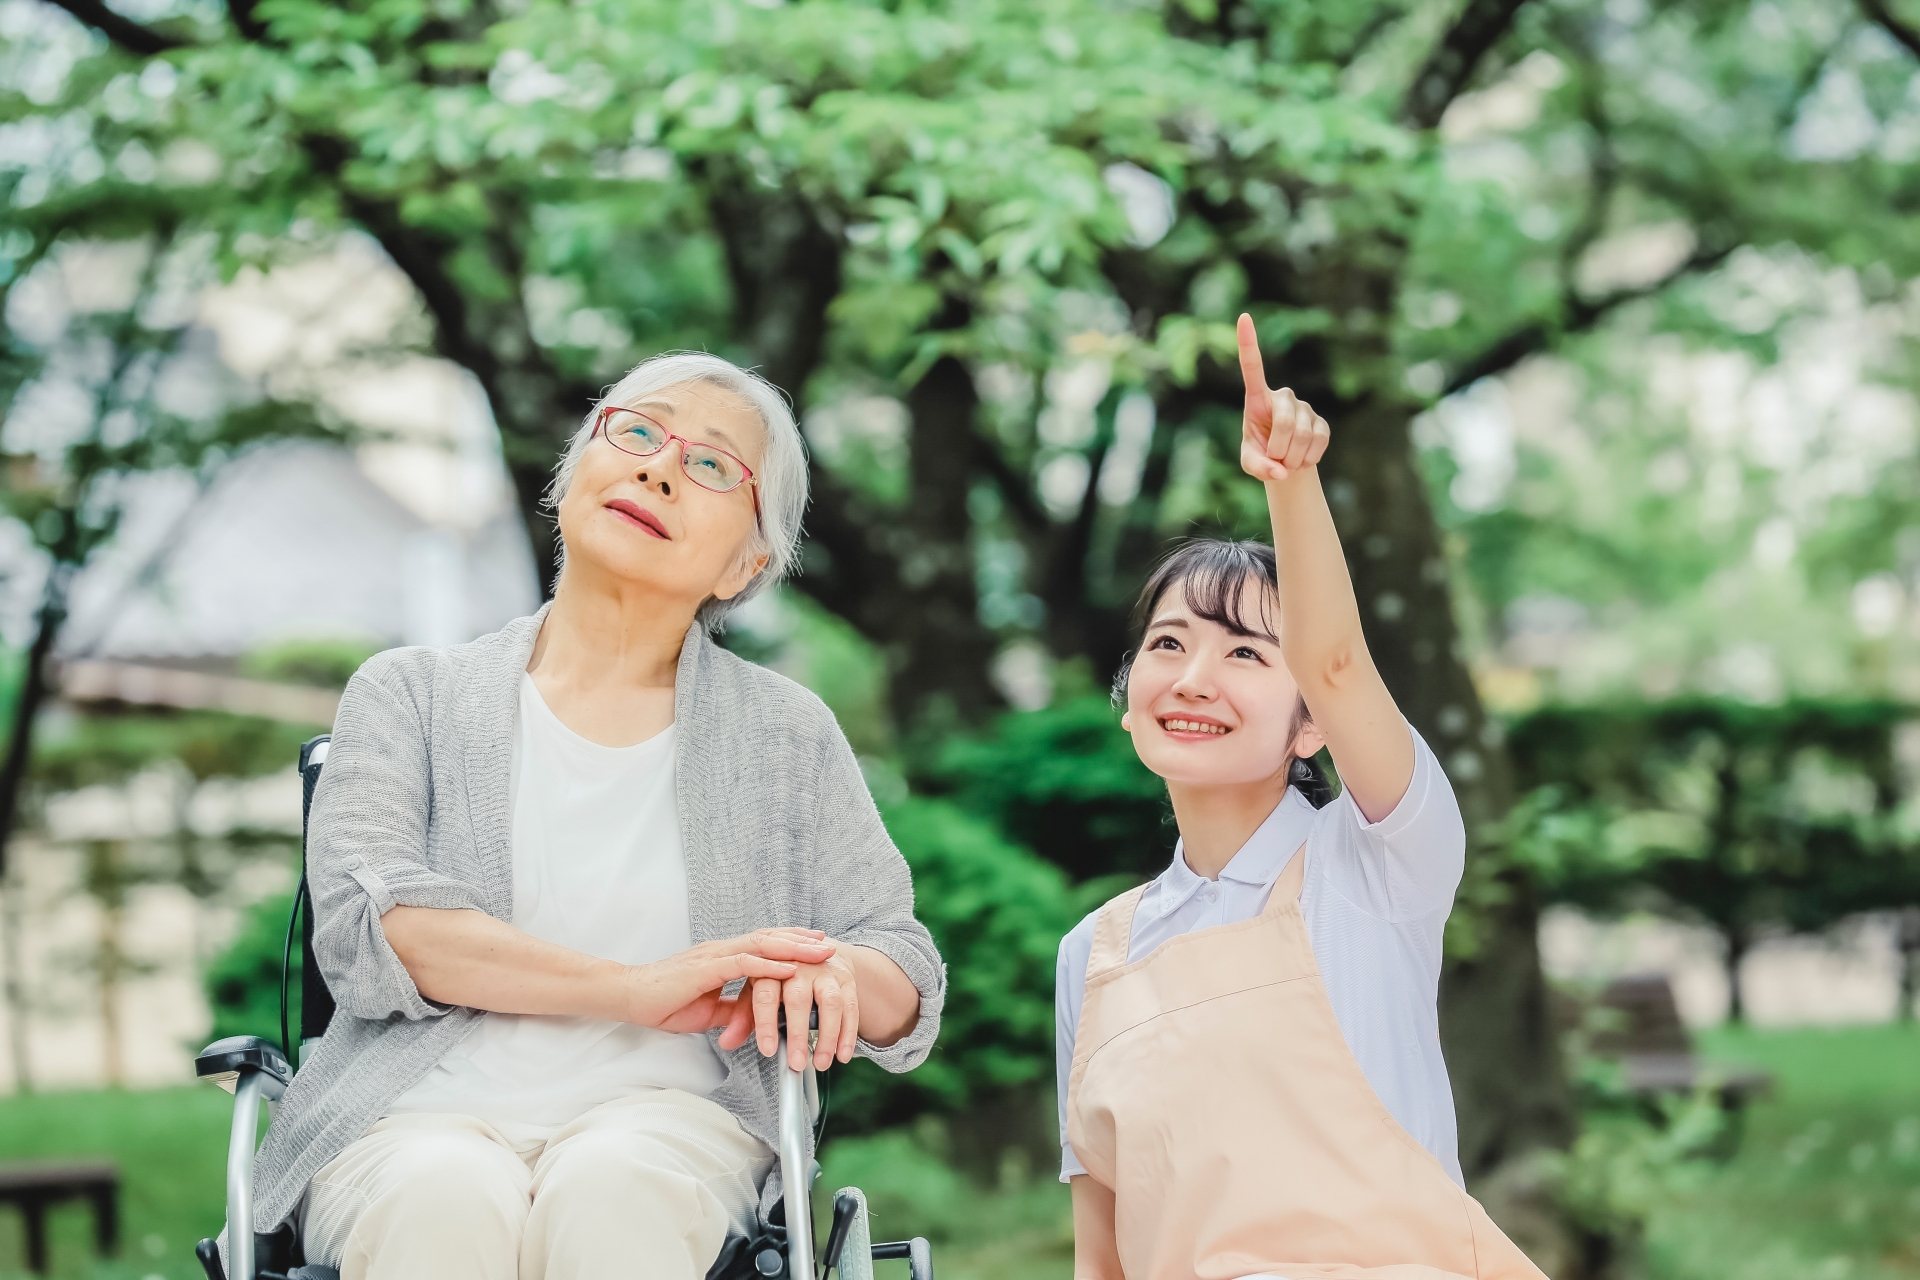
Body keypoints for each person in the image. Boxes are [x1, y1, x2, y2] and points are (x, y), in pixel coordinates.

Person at [239, 353, 945, 1280]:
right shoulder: (410, 695)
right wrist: (633, 988)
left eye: (711, 466)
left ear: (745, 563)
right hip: (412, 1113)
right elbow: (383, 931)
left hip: (671, 1121)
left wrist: (835, 975)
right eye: (640, 432)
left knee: (614, 1190)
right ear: (575, 473)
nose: (658, 468)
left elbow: (900, 964)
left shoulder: (783, 734)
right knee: (439, 1196)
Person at [1054, 316, 1547, 1280]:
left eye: (1245, 653)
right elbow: (1100, 1256)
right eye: (1168, 644)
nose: (1194, 678)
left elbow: (1334, 656)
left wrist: (1292, 483)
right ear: (1127, 702)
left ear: (1311, 721)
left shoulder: (1375, 867)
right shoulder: (1093, 959)